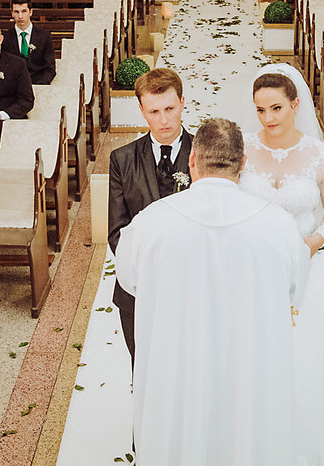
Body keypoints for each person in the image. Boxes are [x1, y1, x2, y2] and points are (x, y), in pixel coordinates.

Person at [116, 117, 308, 466]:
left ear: (192, 160)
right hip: (249, 367)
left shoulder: (150, 221)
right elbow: (293, 289)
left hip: (176, 364)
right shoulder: (278, 223)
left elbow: (129, 280)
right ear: (243, 164)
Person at [237, 68, 324, 466]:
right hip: (257, 267)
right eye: (261, 109)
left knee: (313, 357)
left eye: (277, 108)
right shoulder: (245, 149)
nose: (269, 118)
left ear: (296, 104)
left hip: (311, 265)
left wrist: (313, 242)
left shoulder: (320, 156)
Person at [107, 68, 195, 364]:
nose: (164, 119)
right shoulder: (122, 159)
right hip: (138, 286)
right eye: (154, 111)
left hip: (191, 287)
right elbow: (117, 231)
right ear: (142, 110)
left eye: (170, 108)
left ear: (183, 102)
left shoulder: (204, 154)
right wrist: (151, 266)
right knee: (145, 368)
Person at [1, 0, 57, 85]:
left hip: (38, 86)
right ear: (12, 13)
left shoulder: (44, 36)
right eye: (16, 12)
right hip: (12, 88)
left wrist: (38, 86)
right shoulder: (5, 37)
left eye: (24, 11)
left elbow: (50, 69)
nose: (20, 16)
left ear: (31, 12)